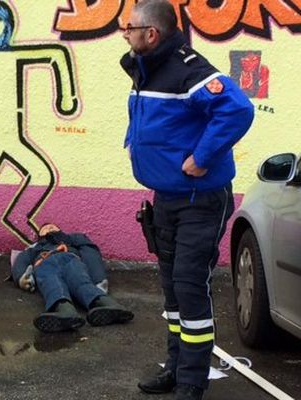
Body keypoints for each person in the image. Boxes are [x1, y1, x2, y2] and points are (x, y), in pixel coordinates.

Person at [120, 1, 254, 399]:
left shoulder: (188, 69)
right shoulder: (148, 69)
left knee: (189, 286)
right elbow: (143, 116)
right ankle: (176, 369)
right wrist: (133, 143)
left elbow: (238, 109)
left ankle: (192, 383)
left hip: (200, 200)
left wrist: (202, 158)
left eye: (130, 27)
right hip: (166, 199)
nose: (125, 33)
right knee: (173, 291)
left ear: (152, 33)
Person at [11, 223, 134, 333]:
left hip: (70, 258)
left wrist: (98, 278)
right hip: (44, 263)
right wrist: (22, 277)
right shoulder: (35, 247)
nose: (49, 228)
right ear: (39, 235)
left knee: (81, 282)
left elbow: (90, 253)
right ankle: (65, 311)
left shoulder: (72, 239)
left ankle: (109, 305)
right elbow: (21, 260)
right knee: (52, 284)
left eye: (53, 226)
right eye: (44, 229)